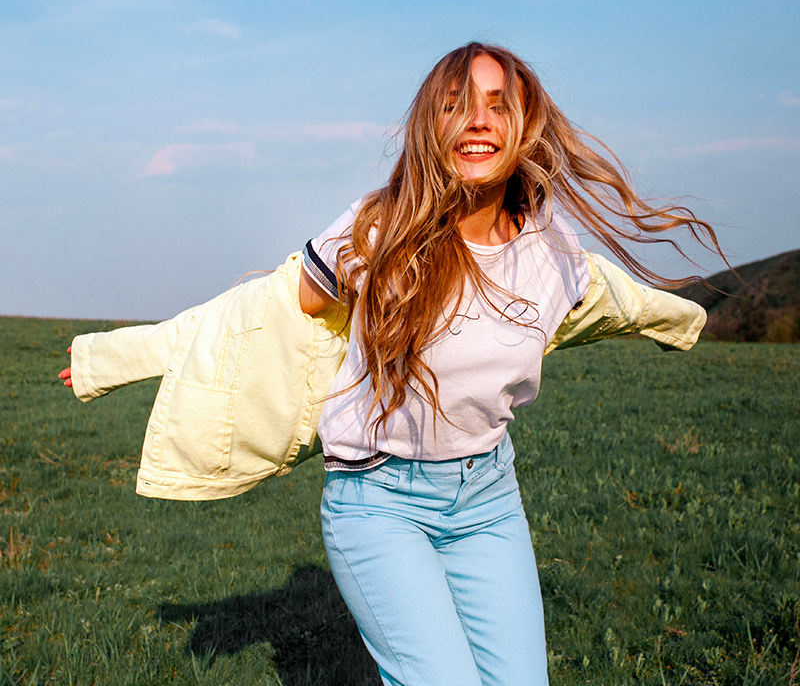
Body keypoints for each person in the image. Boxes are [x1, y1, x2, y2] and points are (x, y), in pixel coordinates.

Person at [61, 42, 721, 686]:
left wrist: (681, 321)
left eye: (498, 103)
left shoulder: (552, 245)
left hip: (487, 499)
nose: (478, 121)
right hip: (378, 503)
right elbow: (260, 312)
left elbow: (608, 296)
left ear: (525, 124)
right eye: (456, 104)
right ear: (430, 125)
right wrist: (113, 357)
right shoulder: (379, 229)